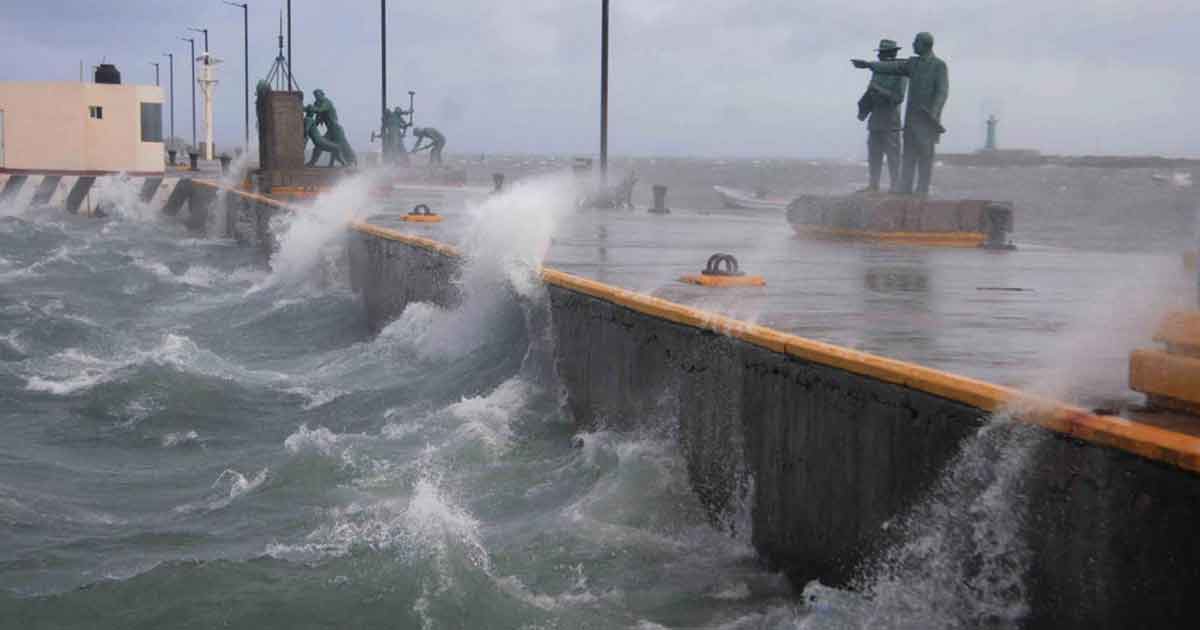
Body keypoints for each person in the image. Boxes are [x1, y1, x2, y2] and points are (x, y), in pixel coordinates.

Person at [852, 32, 948, 195]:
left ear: (925, 45)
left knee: (925, 157)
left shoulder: (939, 65)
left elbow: (942, 92)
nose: (912, 45)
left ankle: (922, 190)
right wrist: (869, 65)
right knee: (908, 157)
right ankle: (904, 189)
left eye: (915, 42)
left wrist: (934, 113)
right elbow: (892, 67)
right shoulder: (912, 63)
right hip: (910, 121)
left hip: (926, 120)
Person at [856, 39, 907, 193]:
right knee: (873, 155)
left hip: (891, 122)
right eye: (879, 53)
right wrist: (864, 106)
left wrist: (878, 89)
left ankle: (895, 185)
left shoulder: (900, 73)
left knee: (893, 157)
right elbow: (870, 92)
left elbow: (898, 97)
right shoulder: (877, 72)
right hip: (875, 120)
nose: (879, 55)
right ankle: (873, 185)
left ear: (891, 54)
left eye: (882, 53)